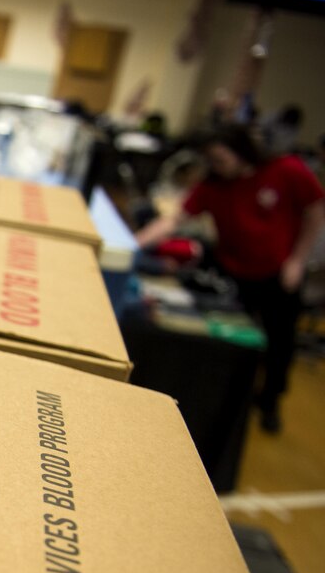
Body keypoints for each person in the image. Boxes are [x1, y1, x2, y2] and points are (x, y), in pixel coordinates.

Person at [136, 125, 325, 433]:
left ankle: (270, 401)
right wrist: (132, 243)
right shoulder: (213, 185)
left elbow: (315, 210)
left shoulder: (285, 170)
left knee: (279, 342)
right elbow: (174, 219)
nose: (216, 166)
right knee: (233, 342)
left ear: (240, 150)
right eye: (210, 160)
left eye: (220, 158)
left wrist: (298, 260)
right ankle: (230, 402)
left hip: (278, 274)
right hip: (234, 273)